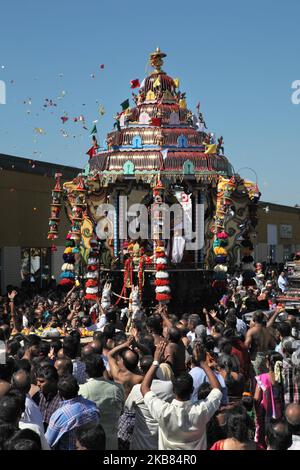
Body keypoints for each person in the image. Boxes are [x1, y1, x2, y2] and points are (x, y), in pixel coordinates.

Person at [140, 342, 223, 450]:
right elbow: (217, 389)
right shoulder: (201, 410)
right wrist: (203, 363)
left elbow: (144, 388)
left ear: (173, 390)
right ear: (192, 390)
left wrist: (156, 362)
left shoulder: (164, 411)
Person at [125, 355, 174, 450]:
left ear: (141, 370)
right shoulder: (169, 386)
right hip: (163, 438)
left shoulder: (136, 389)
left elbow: (128, 408)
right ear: (157, 368)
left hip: (142, 440)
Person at [79, 353, 124, 450]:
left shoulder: (81, 390)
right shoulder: (117, 388)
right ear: (103, 368)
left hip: (90, 443)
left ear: (86, 371)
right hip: (111, 442)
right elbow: (122, 411)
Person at [45, 375, 99, 450]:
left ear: (59, 393)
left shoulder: (60, 415)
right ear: (78, 389)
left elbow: (47, 443)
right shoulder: (92, 406)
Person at [254, 351, 284, 448]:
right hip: (280, 415)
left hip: (265, 415)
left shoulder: (262, 378)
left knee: (263, 439)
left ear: (267, 364)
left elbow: (257, 399)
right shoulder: (283, 379)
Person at [245, 311, 276, 375]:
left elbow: (246, 346)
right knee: (265, 379)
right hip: (266, 358)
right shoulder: (268, 330)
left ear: (254, 320)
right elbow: (273, 345)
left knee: (257, 380)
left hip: (256, 358)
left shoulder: (251, 331)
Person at [36, 364, 61, 431]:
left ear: (53, 381)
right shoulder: (38, 396)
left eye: (41, 381)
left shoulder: (61, 399)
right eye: (37, 381)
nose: (38, 384)